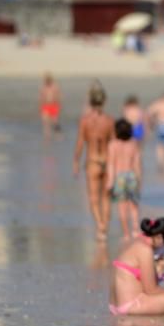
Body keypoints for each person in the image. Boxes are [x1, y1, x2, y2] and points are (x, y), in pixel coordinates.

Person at [73, 82, 115, 240]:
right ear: (104, 101)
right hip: (107, 160)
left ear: (90, 102)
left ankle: (100, 225)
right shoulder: (109, 120)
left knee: (93, 198)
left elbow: (80, 143)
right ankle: (105, 226)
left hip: (92, 161)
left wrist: (76, 162)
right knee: (106, 197)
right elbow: (113, 143)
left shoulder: (85, 121)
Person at [106, 119, 142, 241]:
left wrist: (110, 181)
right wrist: (139, 179)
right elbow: (137, 164)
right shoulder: (134, 144)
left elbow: (111, 164)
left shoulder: (113, 144)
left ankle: (126, 233)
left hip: (119, 177)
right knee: (134, 206)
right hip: (131, 176)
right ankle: (136, 230)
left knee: (122, 207)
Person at [39, 73, 62, 139]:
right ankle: (47, 136)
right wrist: (40, 107)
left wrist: (59, 106)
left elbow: (59, 96)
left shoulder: (55, 86)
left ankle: (58, 134)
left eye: (49, 80)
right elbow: (41, 97)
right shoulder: (43, 87)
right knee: (45, 122)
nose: (47, 81)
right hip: (45, 106)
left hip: (54, 105)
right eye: (46, 80)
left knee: (55, 121)